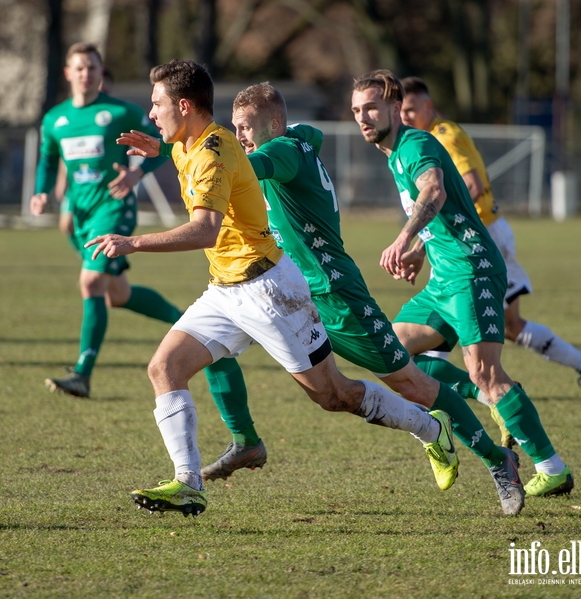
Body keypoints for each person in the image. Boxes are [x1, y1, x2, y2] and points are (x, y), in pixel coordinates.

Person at [95, 59, 459, 517]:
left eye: (157, 105)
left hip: (270, 291)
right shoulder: (190, 143)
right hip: (225, 291)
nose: (150, 113)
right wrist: (161, 151)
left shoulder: (211, 153)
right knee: (164, 368)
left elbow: (205, 230)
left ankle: (430, 429)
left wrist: (133, 242)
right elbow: (239, 158)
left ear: (183, 106)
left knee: (334, 395)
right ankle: (188, 484)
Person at [203, 82, 523, 515]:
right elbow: (307, 134)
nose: (239, 134)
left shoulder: (281, 151)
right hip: (284, 291)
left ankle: (494, 457)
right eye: (234, 126)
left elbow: (247, 165)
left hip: (335, 295)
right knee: (212, 341)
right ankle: (245, 440)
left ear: (273, 125)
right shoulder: (298, 136)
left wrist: (186, 149)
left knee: (411, 383)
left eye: (246, 126)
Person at [351, 69, 574, 498]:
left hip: (472, 270)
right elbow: (445, 211)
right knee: (390, 353)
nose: (364, 116)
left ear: (395, 108)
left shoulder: (414, 143)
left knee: (487, 371)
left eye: (372, 107)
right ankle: (484, 397)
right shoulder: (394, 153)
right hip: (444, 275)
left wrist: (403, 238)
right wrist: (420, 249)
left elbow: (433, 192)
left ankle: (552, 467)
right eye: (357, 110)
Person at [30, 43, 247, 407]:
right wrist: (41, 193)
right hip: (82, 213)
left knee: (91, 281)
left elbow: (163, 142)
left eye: (93, 67)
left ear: (101, 73)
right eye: (79, 68)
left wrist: (134, 176)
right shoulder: (55, 119)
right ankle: (187, 324)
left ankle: (82, 373)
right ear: (68, 74)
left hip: (113, 208)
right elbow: (48, 160)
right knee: (117, 295)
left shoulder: (120, 111)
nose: (86, 74)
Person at [399, 77, 581, 414]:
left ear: (428, 106)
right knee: (507, 325)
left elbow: (473, 184)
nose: (405, 117)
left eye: (410, 109)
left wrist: (432, 230)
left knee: (453, 322)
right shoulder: (427, 138)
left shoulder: (442, 136)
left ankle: (440, 403)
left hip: (480, 238)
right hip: (467, 240)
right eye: (401, 111)